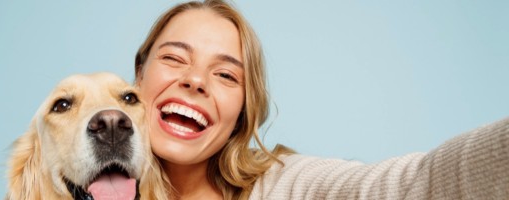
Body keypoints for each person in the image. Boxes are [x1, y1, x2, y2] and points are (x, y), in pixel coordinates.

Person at [132, 0, 509, 199]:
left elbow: (413, 187)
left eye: (226, 75)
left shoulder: (285, 186)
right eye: (174, 58)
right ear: (139, 76)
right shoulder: (79, 186)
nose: (196, 80)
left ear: (243, 110)